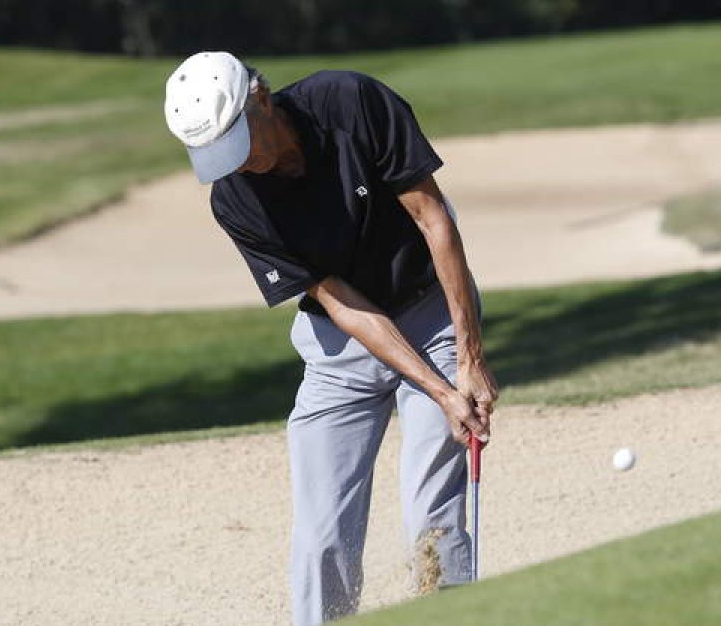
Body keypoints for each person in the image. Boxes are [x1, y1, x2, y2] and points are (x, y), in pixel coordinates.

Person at [163, 52, 498, 625]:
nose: (238, 166)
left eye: (238, 144)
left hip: (431, 313)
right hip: (340, 347)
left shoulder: (350, 102)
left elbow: (433, 219)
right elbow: (343, 305)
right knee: (321, 535)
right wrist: (439, 392)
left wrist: (466, 362)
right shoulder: (235, 198)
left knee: (431, 514)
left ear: (260, 100)